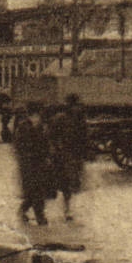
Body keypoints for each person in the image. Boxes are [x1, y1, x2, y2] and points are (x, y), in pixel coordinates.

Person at [45, 94, 89, 222]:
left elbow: (84, 137)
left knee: (69, 183)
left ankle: (67, 209)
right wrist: (54, 148)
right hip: (63, 155)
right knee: (62, 183)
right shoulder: (61, 119)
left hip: (73, 155)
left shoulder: (79, 119)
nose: (75, 108)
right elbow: (50, 135)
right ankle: (64, 209)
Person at [13, 101, 52, 226]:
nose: (39, 117)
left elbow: (46, 144)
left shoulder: (41, 127)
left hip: (39, 163)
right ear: (32, 114)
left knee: (36, 191)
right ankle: (39, 216)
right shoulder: (23, 127)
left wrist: (47, 156)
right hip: (29, 164)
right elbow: (19, 146)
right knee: (35, 191)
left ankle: (23, 210)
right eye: (37, 114)